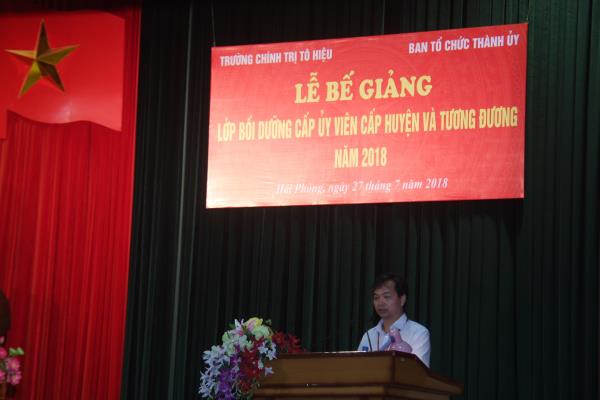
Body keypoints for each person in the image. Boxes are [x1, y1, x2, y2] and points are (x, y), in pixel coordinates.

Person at [357, 273, 430, 367]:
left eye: (386, 296)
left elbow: (418, 372)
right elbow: (358, 369)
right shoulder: (369, 335)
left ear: (402, 300)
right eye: (376, 298)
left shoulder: (418, 333)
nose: (380, 303)